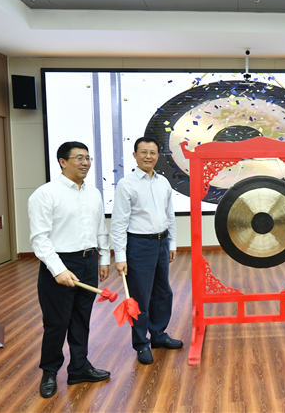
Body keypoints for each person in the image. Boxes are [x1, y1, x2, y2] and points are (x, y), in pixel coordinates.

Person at [28, 141, 111, 398]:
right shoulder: (45, 194)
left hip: (88, 261)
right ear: (62, 162)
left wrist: (103, 258)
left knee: (81, 319)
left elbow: (100, 227)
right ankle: (49, 372)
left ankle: (79, 368)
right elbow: (39, 238)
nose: (85, 163)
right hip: (59, 263)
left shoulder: (93, 193)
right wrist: (58, 270)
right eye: (79, 158)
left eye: (88, 158)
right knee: (56, 323)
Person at [110, 136, 180, 365]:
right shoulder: (126, 184)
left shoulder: (163, 182)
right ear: (135, 155)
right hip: (138, 245)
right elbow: (118, 223)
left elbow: (170, 215)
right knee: (140, 296)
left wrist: (172, 243)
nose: (148, 156)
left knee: (163, 292)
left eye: (152, 153)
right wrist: (120, 256)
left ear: (158, 156)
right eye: (144, 152)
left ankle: (158, 335)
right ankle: (141, 343)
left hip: (161, 242)